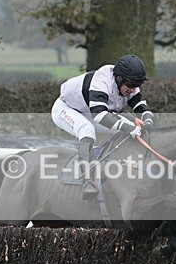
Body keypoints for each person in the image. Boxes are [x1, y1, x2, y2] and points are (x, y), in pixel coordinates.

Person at [52, 54, 155, 199]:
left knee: (126, 124)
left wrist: (148, 122)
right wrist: (129, 128)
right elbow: (99, 115)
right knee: (86, 130)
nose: (132, 90)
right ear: (119, 78)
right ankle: (87, 180)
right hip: (67, 109)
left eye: (136, 86)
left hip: (90, 110)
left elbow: (143, 109)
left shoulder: (129, 83)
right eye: (131, 85)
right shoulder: (102, 80)